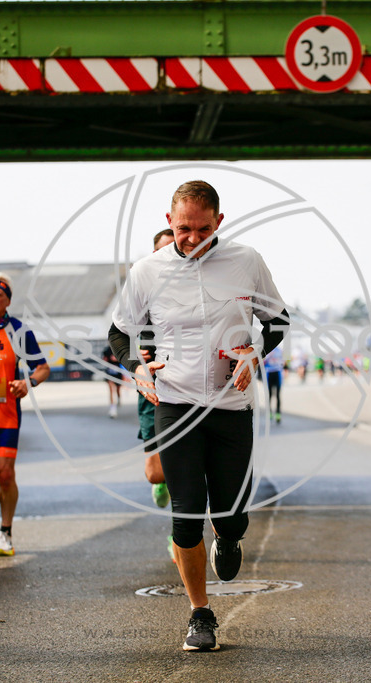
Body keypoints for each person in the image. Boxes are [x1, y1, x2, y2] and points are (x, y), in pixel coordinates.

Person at [108, 180, 289, 651]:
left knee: (231, 514)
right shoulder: (147, 271)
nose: (192, 239)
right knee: (186, 514)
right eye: (183, 229)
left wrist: (256, 353)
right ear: (169, 222)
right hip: (175, 404)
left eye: (203, 229)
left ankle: (228, 536)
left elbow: (279, 321)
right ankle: (199, 613)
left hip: (231, 407)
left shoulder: (246, 261)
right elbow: (119, 332)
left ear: (219, 222)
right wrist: (136, 367)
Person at [0, 273, 49, 557]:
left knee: (4, 474)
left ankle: (5, 533)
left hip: (6, 411)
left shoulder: (19, 330)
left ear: (8, 301)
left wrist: (27, 382)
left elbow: (42, 368)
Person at [141, 228, 175, 513]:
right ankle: (163, 482)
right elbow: (118, 333)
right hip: (152, 386)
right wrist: (132, 356)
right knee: (155, 473)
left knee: (190, 464)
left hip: (189, 386)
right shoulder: (141, 287)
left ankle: (181, 530)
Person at [263, 346, 284, 423]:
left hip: (277, 373)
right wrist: (269, 356)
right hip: (269, 373)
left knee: (278, 395)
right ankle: (270, 413)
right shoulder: (267, 350)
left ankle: (278, 413)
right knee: (270, 395)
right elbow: (262, 363)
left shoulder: (279, 350)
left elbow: (283, 362)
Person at [101, 345, 123, 418]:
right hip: (110, 371)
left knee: (118, 389)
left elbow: (123, 359)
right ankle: (112, 408)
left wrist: (116, 359)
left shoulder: (118, 348)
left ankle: (119, 399)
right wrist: (106, 359)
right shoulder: (107, 349)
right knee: (111, 389)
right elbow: (104, 359)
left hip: (118, 372)